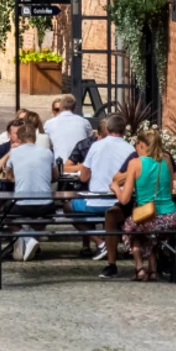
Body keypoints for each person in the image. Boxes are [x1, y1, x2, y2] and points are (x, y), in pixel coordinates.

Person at [66, 113, 137, 276]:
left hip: (96, 201)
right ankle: (113, 246)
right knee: (115, 216)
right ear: (124, 131)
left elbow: (84, 176)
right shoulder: (130, 149)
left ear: (106, 128)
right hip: (120, 201)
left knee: (68, 207)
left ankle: (97, 241)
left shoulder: (96, 146)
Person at [115, 124, 176, 282]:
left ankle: (139, 267)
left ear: (142, 145)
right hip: (171, 217)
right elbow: (169, 190)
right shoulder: (166, 160)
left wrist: (115, 187)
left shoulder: (136, 163)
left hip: (149, 216)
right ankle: (152, 269)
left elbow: (124, 199)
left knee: (130, 227)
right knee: (149, 232)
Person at [0, 122, 56, 260]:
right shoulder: (47, 153)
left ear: (19, 138)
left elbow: (8, 176)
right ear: (34, 137)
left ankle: (25, 237)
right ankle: (31, 238)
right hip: (45, 203)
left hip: (21, 203)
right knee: (47, 212)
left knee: (2, 213)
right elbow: (55, 176)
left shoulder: (15, 153)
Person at [42, 95, 94, 173]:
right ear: (75, 107)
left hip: (60, 166)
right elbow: (90, 140)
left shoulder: (49, 124)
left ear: (61, 107)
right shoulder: (84, 122)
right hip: (79, 166)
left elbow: (46, 144)